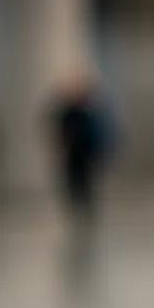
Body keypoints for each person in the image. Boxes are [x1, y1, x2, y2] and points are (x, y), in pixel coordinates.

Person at [48, 75, 113, 218]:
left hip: (85, 153)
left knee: (86, 181)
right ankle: (76, 206)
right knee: (73, 180)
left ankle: (86, 207)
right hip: (73, 154)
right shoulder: (68, 113)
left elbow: (97, 134)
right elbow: (60, 132)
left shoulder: (89, 114)